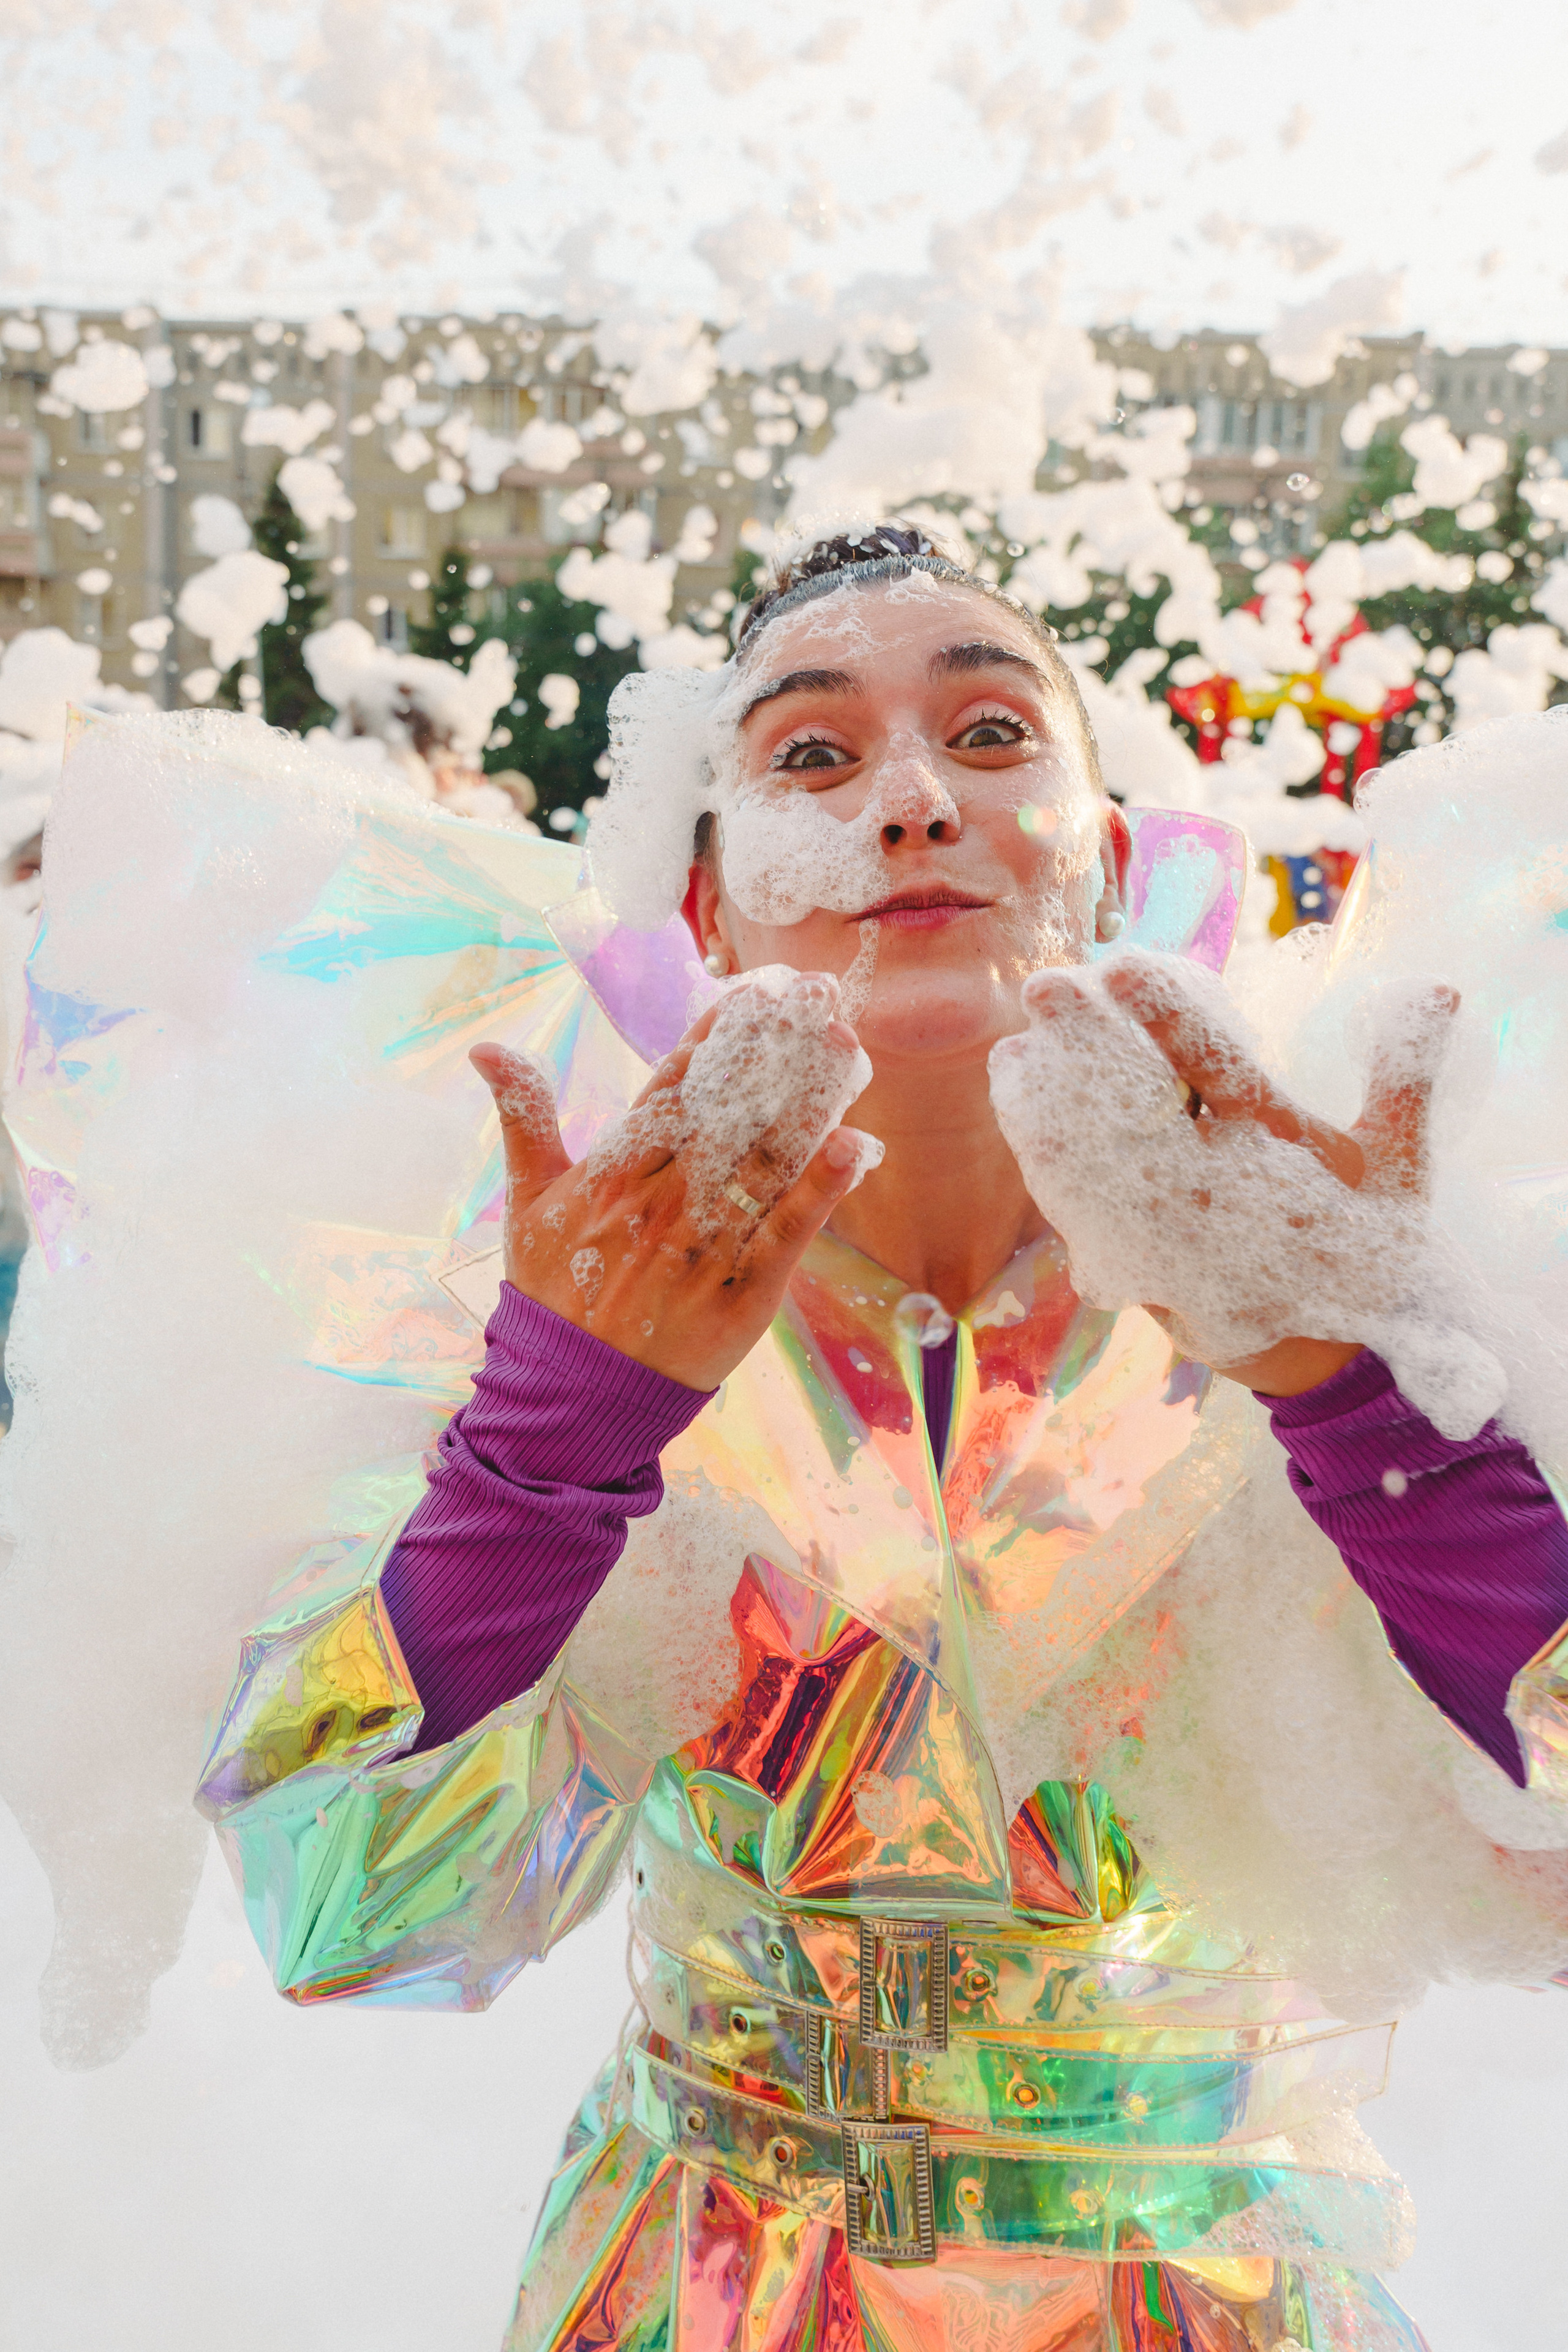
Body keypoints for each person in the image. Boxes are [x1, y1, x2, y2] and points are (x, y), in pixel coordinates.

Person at [199, 525, 1568, 2350]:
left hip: (1211, 2294)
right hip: (708, 2289)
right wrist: (551, 1451)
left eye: (994, 735)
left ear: (1109, 857)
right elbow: (353, 1916)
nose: (914, 800)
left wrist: (1370, 1407)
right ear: (703, 910)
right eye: (814, 756)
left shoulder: (1335, 1253)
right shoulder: (551, 1305)